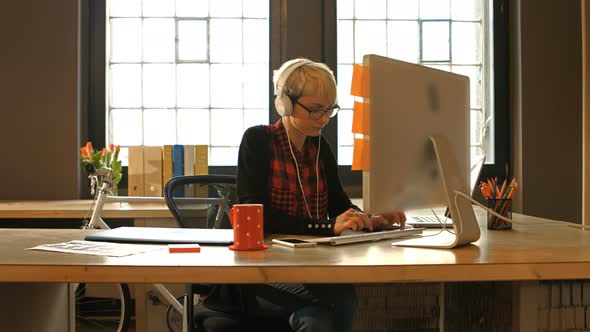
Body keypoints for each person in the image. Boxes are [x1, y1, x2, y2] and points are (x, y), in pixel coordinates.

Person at [233, 58, 407, 332]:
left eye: (329, 110)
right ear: (285, 104)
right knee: (342, 298)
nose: (324, 120)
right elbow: (257, 217)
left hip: (307, 267)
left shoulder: (320, 148)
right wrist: (325, 226)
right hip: (262, 273)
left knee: (318, 318)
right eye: (315, 110)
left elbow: (339, 206)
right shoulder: (258, 141)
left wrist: (370, 219)